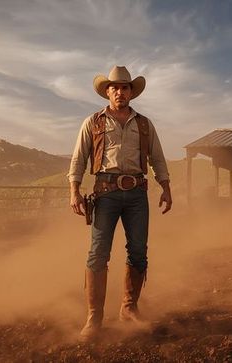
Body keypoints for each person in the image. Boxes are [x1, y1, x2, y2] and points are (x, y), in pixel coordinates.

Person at [68, 65, 172, 341]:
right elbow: (79, 158)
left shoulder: (144, 124)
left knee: (138, 251)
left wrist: (166, 186)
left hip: (137, 194)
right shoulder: (94, 122)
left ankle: (129, 308)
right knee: (98, 253)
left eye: (125, 87)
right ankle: (94, 317)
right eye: (114, 87)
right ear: (107, 92)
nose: (120, 92)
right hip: (105, 193)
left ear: (131, 92)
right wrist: (74, 190)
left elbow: (157, 158)